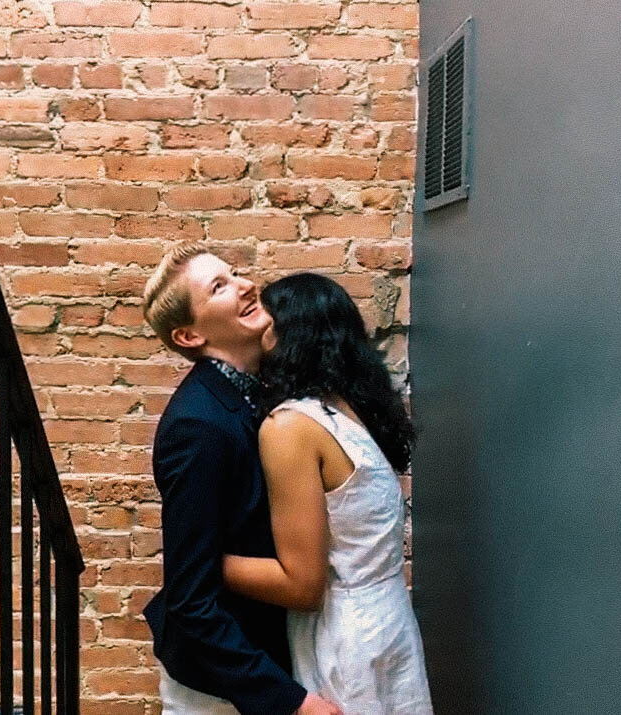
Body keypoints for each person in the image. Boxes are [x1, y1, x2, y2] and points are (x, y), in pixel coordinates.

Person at [141, 243, 343, 715]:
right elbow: (191, 601)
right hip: (218, 693)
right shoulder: (199, 427)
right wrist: (291, 702)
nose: (245, 285)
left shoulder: (257, 395)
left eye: (234, 274)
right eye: (219, 287)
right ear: (189, 336)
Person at [221, 273, 434, 714]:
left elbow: (303, 586)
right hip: (387, 622)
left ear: (285, 336)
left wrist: (204, 562)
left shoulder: (291, 427)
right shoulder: (350, 409)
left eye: (263, 319)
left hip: (345, 638)